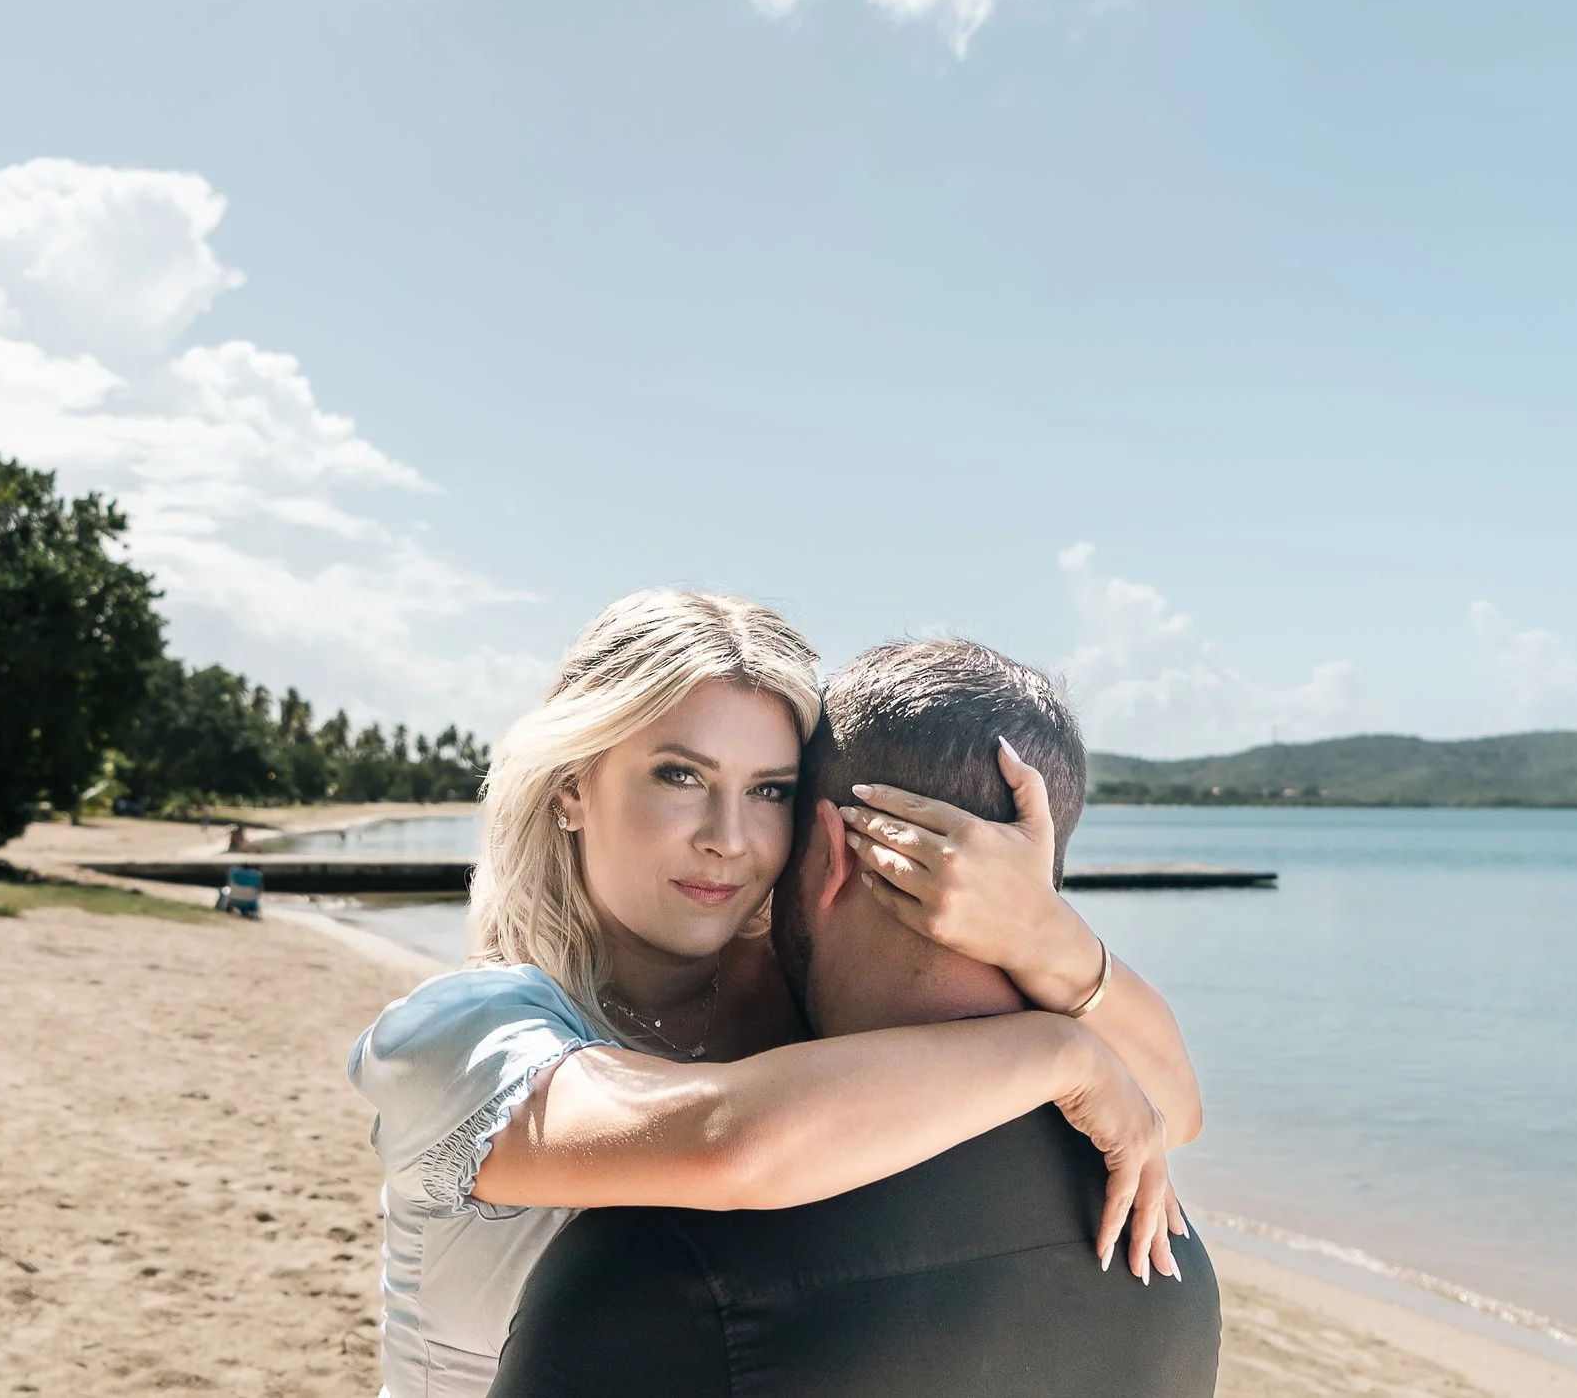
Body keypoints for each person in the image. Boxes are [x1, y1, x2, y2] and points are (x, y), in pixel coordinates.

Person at [347, 593, 1199, 1398]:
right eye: (680, 775)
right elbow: (725, 1142)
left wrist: (1045, 936)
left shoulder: (791, 1008)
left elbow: (1172, 1104)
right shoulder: (461, 1034)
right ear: (573, 785)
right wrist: (1060, 1050)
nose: (727, 838)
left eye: (770, 791)